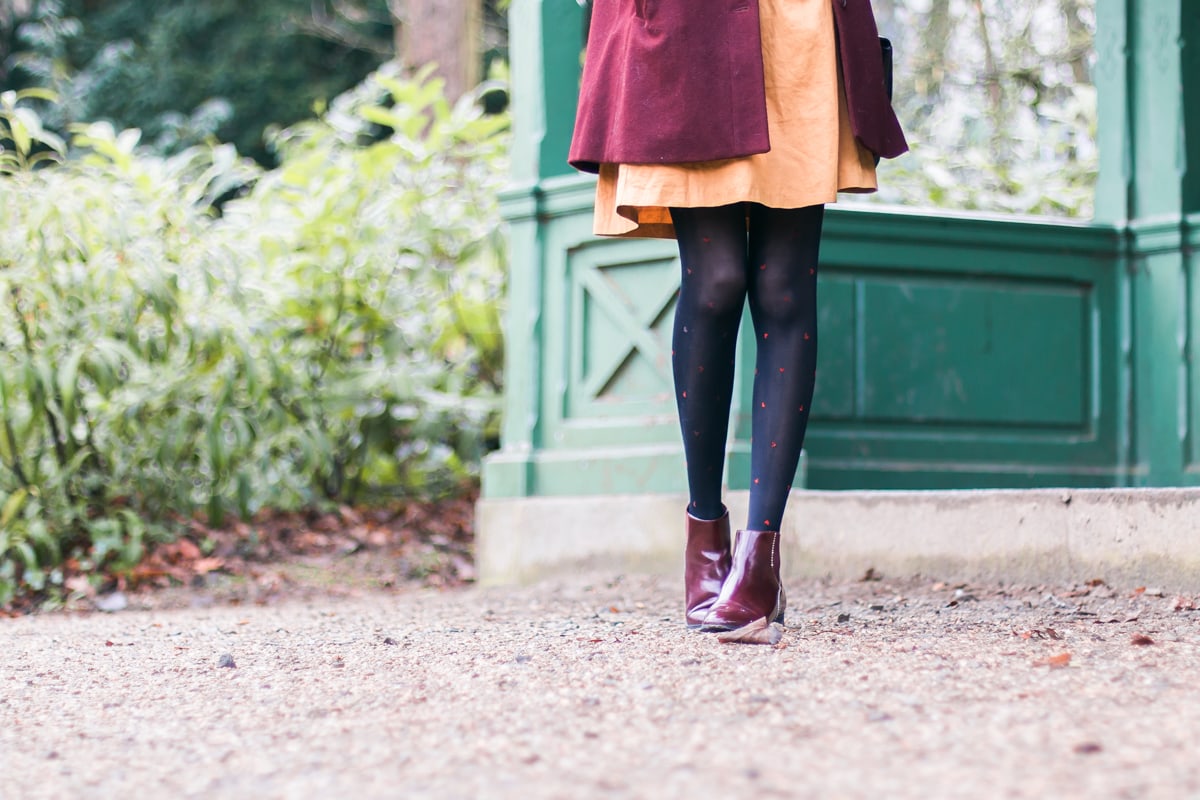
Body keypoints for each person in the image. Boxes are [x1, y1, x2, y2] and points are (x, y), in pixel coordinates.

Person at [568, 0, 907, 631]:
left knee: (783, 288)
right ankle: (705, 534)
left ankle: (760, 558)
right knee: (716, 279)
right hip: (683, 28)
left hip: (796, 30)